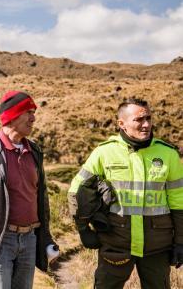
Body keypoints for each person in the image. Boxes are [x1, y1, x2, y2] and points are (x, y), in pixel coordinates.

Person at [68, 98, 183, 288]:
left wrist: (180, 242)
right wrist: (83, 229)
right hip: (115, 244)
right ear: (121, 124)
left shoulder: (168, 154)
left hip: (157, 248)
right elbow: (76, 191)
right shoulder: (104, 153)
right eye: (139, 120)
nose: (146, 124)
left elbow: (179, 202)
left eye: (148, 118)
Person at [0, 90, 57, 289]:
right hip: (1, 241)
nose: (34, 118)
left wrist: (46, 238)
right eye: (29, 112)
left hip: (29, 239)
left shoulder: (34, 151)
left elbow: (41, 198)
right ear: (13, 116)